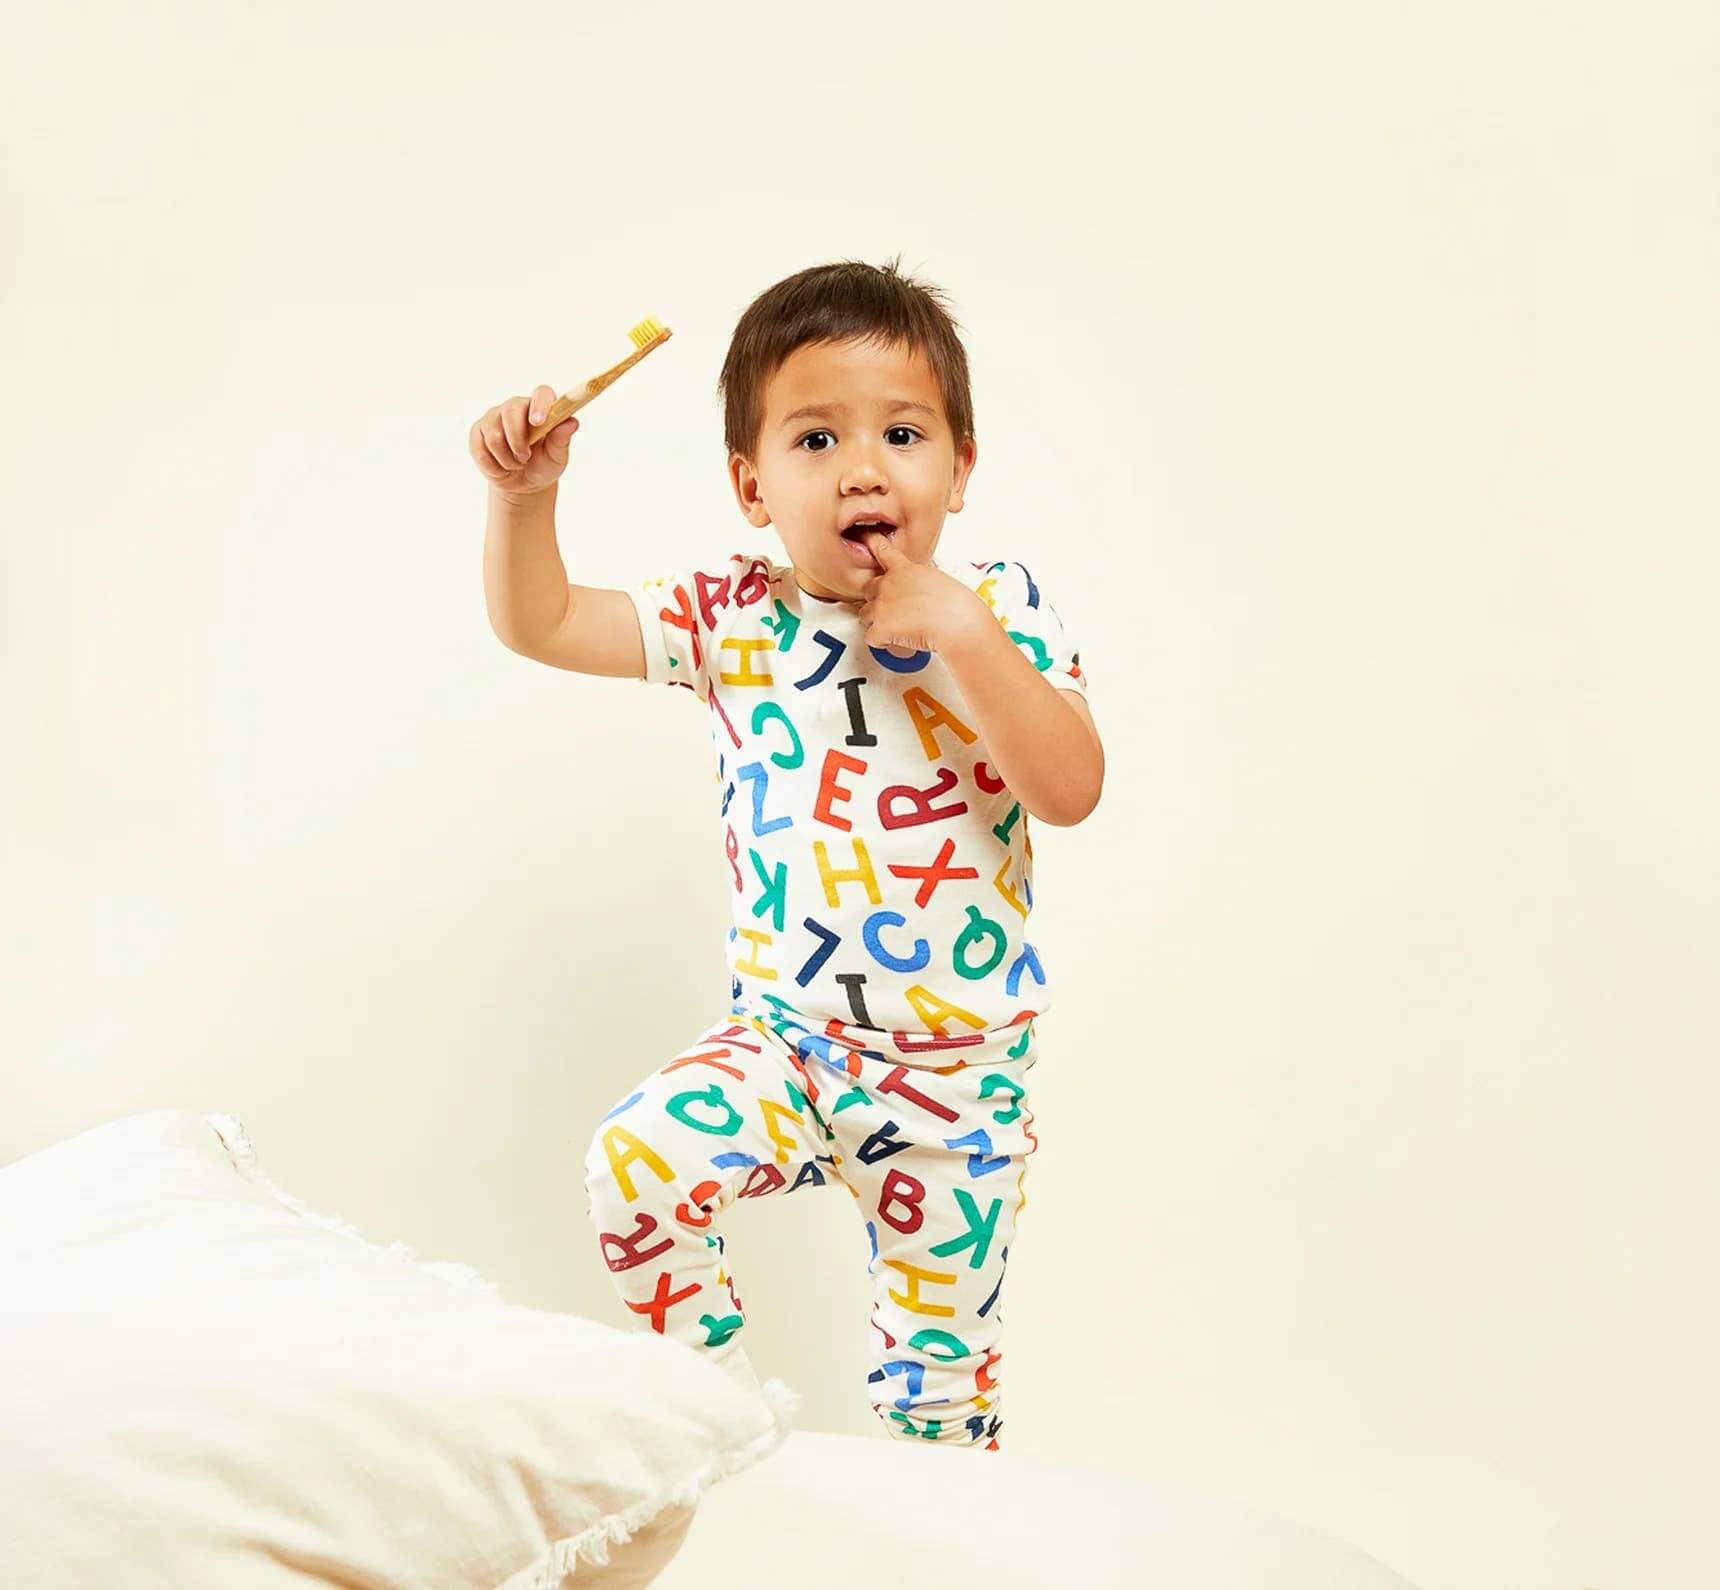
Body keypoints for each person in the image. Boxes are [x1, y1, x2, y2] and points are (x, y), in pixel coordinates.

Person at [471, 255, 1104, 1450]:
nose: (863, 467)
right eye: (815, 441)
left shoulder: (1003, 612)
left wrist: (963, 636)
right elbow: (543, 621)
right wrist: (522, 502)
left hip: (959, 1080)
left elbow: (1068, 790)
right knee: (637, 1161)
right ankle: (715, 1425)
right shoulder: (733, 618)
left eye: (902, 433)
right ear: (750, 485)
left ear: (960, 469)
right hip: (790, 1042)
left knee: (940, 1404)